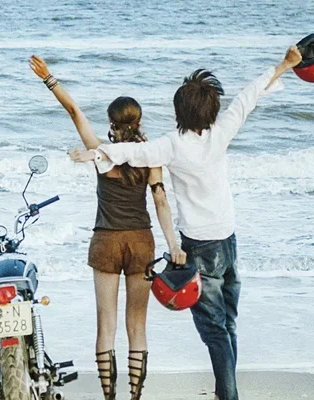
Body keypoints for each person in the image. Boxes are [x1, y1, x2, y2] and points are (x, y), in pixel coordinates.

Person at [69, 46, 304, 400]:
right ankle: (226, 391)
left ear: (179, 111)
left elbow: (132, 152)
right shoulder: (222, 131)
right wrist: (284, 65)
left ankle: (228, 396)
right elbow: (248, 97)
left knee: (214, 330)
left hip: (199, 246)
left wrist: (97, 153)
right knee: (228, 323)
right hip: (228, 241)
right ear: (213, 109)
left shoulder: (171, 145)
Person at [29, 55, 186, 400]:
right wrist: (173, 244)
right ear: (138, 122)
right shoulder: (150, 157)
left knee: (106, 326)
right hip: (141, 242)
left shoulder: (100, 153)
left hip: (106, 243)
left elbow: (74, 111)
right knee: (137, 326)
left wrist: (49, 79)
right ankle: (135, 396)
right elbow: (161, 201)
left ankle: (108, 397)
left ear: (112, 124)